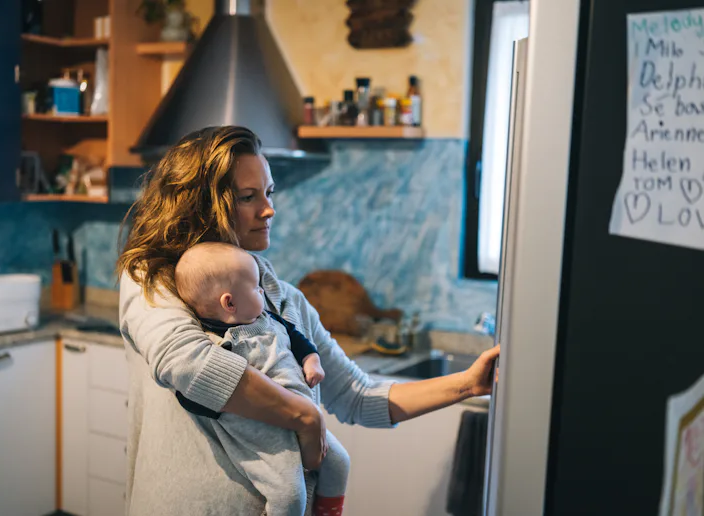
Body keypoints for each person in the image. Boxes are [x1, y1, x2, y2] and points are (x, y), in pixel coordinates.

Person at [116, 125, 500, 516]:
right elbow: (185, 361)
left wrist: (468, 384)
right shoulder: (152, 281)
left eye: (269, 192)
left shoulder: (287, 302)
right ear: (201, 206)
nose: (268, 209)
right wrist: (303, 415)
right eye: (248, 197)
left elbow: (356, 396)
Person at [174, 241, 348, 515]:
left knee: (340, 462)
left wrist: (311, 360)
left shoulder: (268, 318)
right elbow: (193, 390)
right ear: (229, 302)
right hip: (265, 434)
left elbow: (298, 339)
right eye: (255, 288)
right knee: (290, 496)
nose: (262, 291)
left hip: (306, 418)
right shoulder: (217, 347)